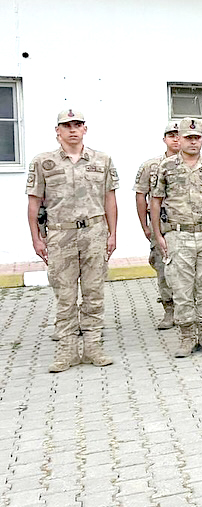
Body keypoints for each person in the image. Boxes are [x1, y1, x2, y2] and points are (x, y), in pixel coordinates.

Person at [26, 108, 119, 372]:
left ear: (85, 129)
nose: (73, 129)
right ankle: (66, 351)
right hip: (60, 235)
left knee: (94, 294)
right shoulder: (43, 163)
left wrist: (112, 234)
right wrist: (36, 239)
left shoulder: (102, 160)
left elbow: (109, 198)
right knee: (65, 296)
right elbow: (34, 203)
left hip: (94, 232)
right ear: (57, 131)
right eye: (67, 125)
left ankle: (93, 347)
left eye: (77, 124)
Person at [150, 118, 202, 358]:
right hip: (178, 234)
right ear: (180, 139)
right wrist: (158, 234)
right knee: (182, 288)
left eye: (197, 138)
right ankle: (187, 336)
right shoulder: (166, 167)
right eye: (188, 138)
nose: (193, 142)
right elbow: (155, 201)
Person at [134, 123, 182, 329]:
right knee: (163, 268)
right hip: (161, 226)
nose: (176, 139)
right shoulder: (151, 166)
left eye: (179, 135)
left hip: (187, 226)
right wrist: (145, 226)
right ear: (164, 139)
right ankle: (169, 310)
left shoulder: (197, 164)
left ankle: (189, 309)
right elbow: (140, 195)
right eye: (171, 136)